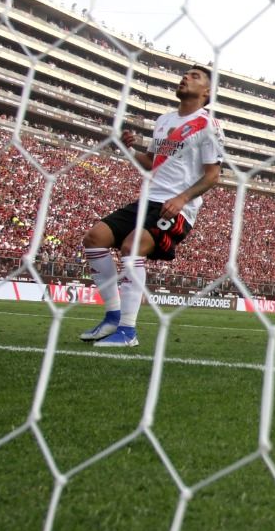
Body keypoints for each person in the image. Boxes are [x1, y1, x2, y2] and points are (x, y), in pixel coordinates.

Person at [79, 66, 225, 348]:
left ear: (207, 93)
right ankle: (112, 315)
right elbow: (151, 163)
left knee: (132, 247)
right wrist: (129, 150)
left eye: (194, 77)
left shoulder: (209, 126)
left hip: (177, 208)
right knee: (94, 239)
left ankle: (128, 331)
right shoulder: (164, 120)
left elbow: (213, 175)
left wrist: (182, 198)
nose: (185, 77)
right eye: (185, 74)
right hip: (149, 199)